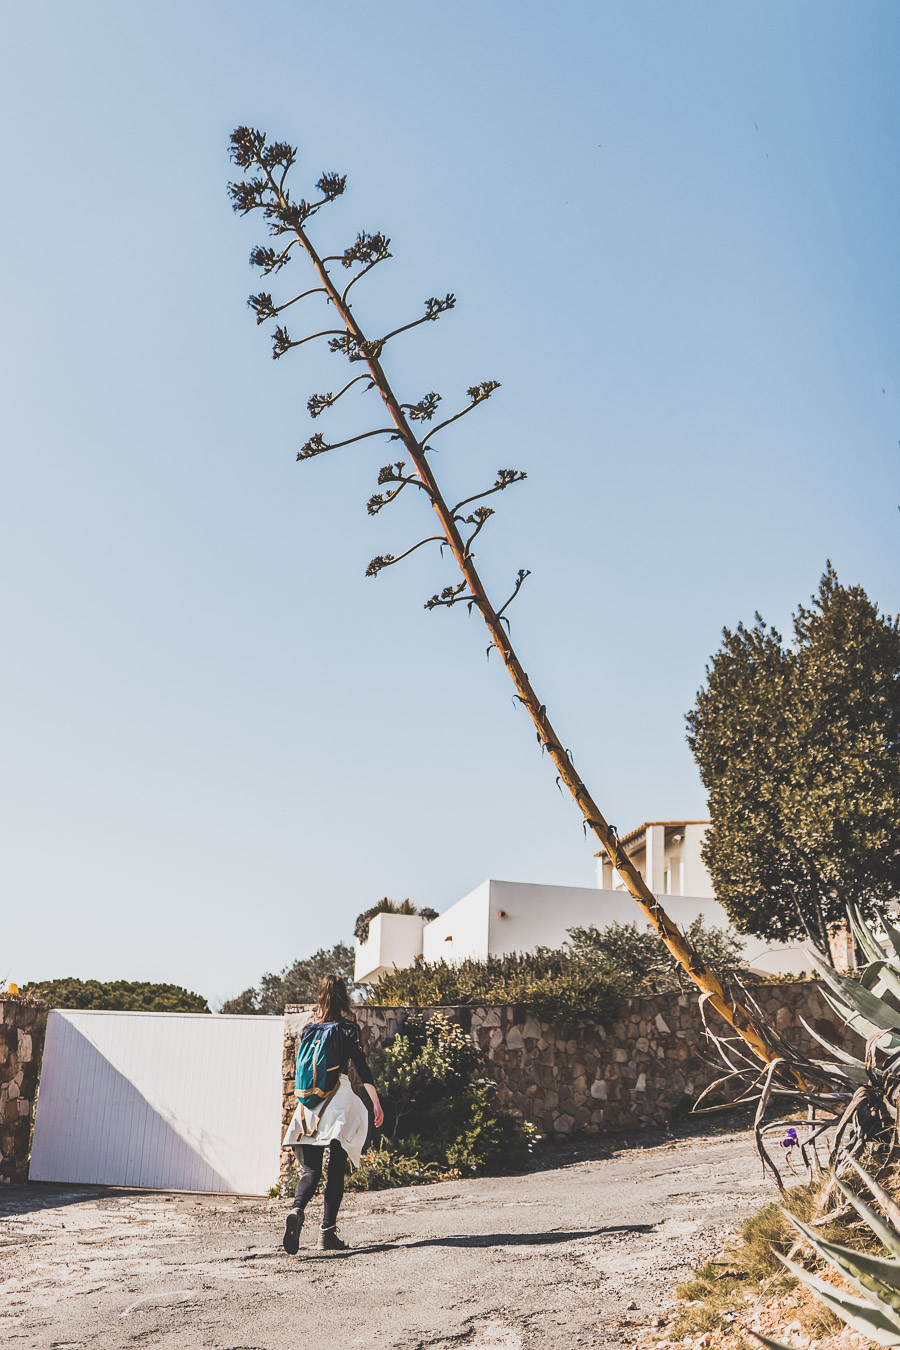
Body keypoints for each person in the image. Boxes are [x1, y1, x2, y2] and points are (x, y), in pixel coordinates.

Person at [281, 974, 383, 1254]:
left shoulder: (309, 1029)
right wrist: (375, 1102)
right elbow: (361, 1067)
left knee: (311, 1170)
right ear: (344, 996)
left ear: (321, 997)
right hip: (337, 1101)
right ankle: (327, 1232)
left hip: (309, 1104)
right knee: (336, 1167)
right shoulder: (347, 1028)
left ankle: (297, 1210)